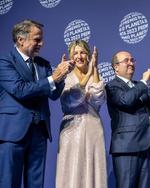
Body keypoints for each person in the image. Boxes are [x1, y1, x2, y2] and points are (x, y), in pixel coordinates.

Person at [0, 19, 74, 188]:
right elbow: (20, 90)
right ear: (21, 39)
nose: (42, 43)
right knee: (8, 182)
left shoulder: (43, 64)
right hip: (12, 133)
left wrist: (62, 76)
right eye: (37, 39)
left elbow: (54, 94)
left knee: (36, 183)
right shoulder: (4, 62)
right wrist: (53, 78)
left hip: (39, 131)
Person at [105, 51, 150, 188]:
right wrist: (144, 82)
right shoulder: (112, 86)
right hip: (127, 148)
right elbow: (126, 100)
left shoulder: (139, 85)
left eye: (132, 60)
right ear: (116, 67)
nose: (131, 63)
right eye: (126, 60)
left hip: (148, 145)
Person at [56, 40, 107, 188]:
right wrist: (88, 74)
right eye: (75, 53)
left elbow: (98, 99)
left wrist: (95, 69)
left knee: (94, 173)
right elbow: (70, 100)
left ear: (89, 55)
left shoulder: (94, 75)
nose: (79, 56)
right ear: (71, 56)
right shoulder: (65, 77)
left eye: (83, 52)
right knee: (71, 174)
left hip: (93, 129)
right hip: (71, 131)